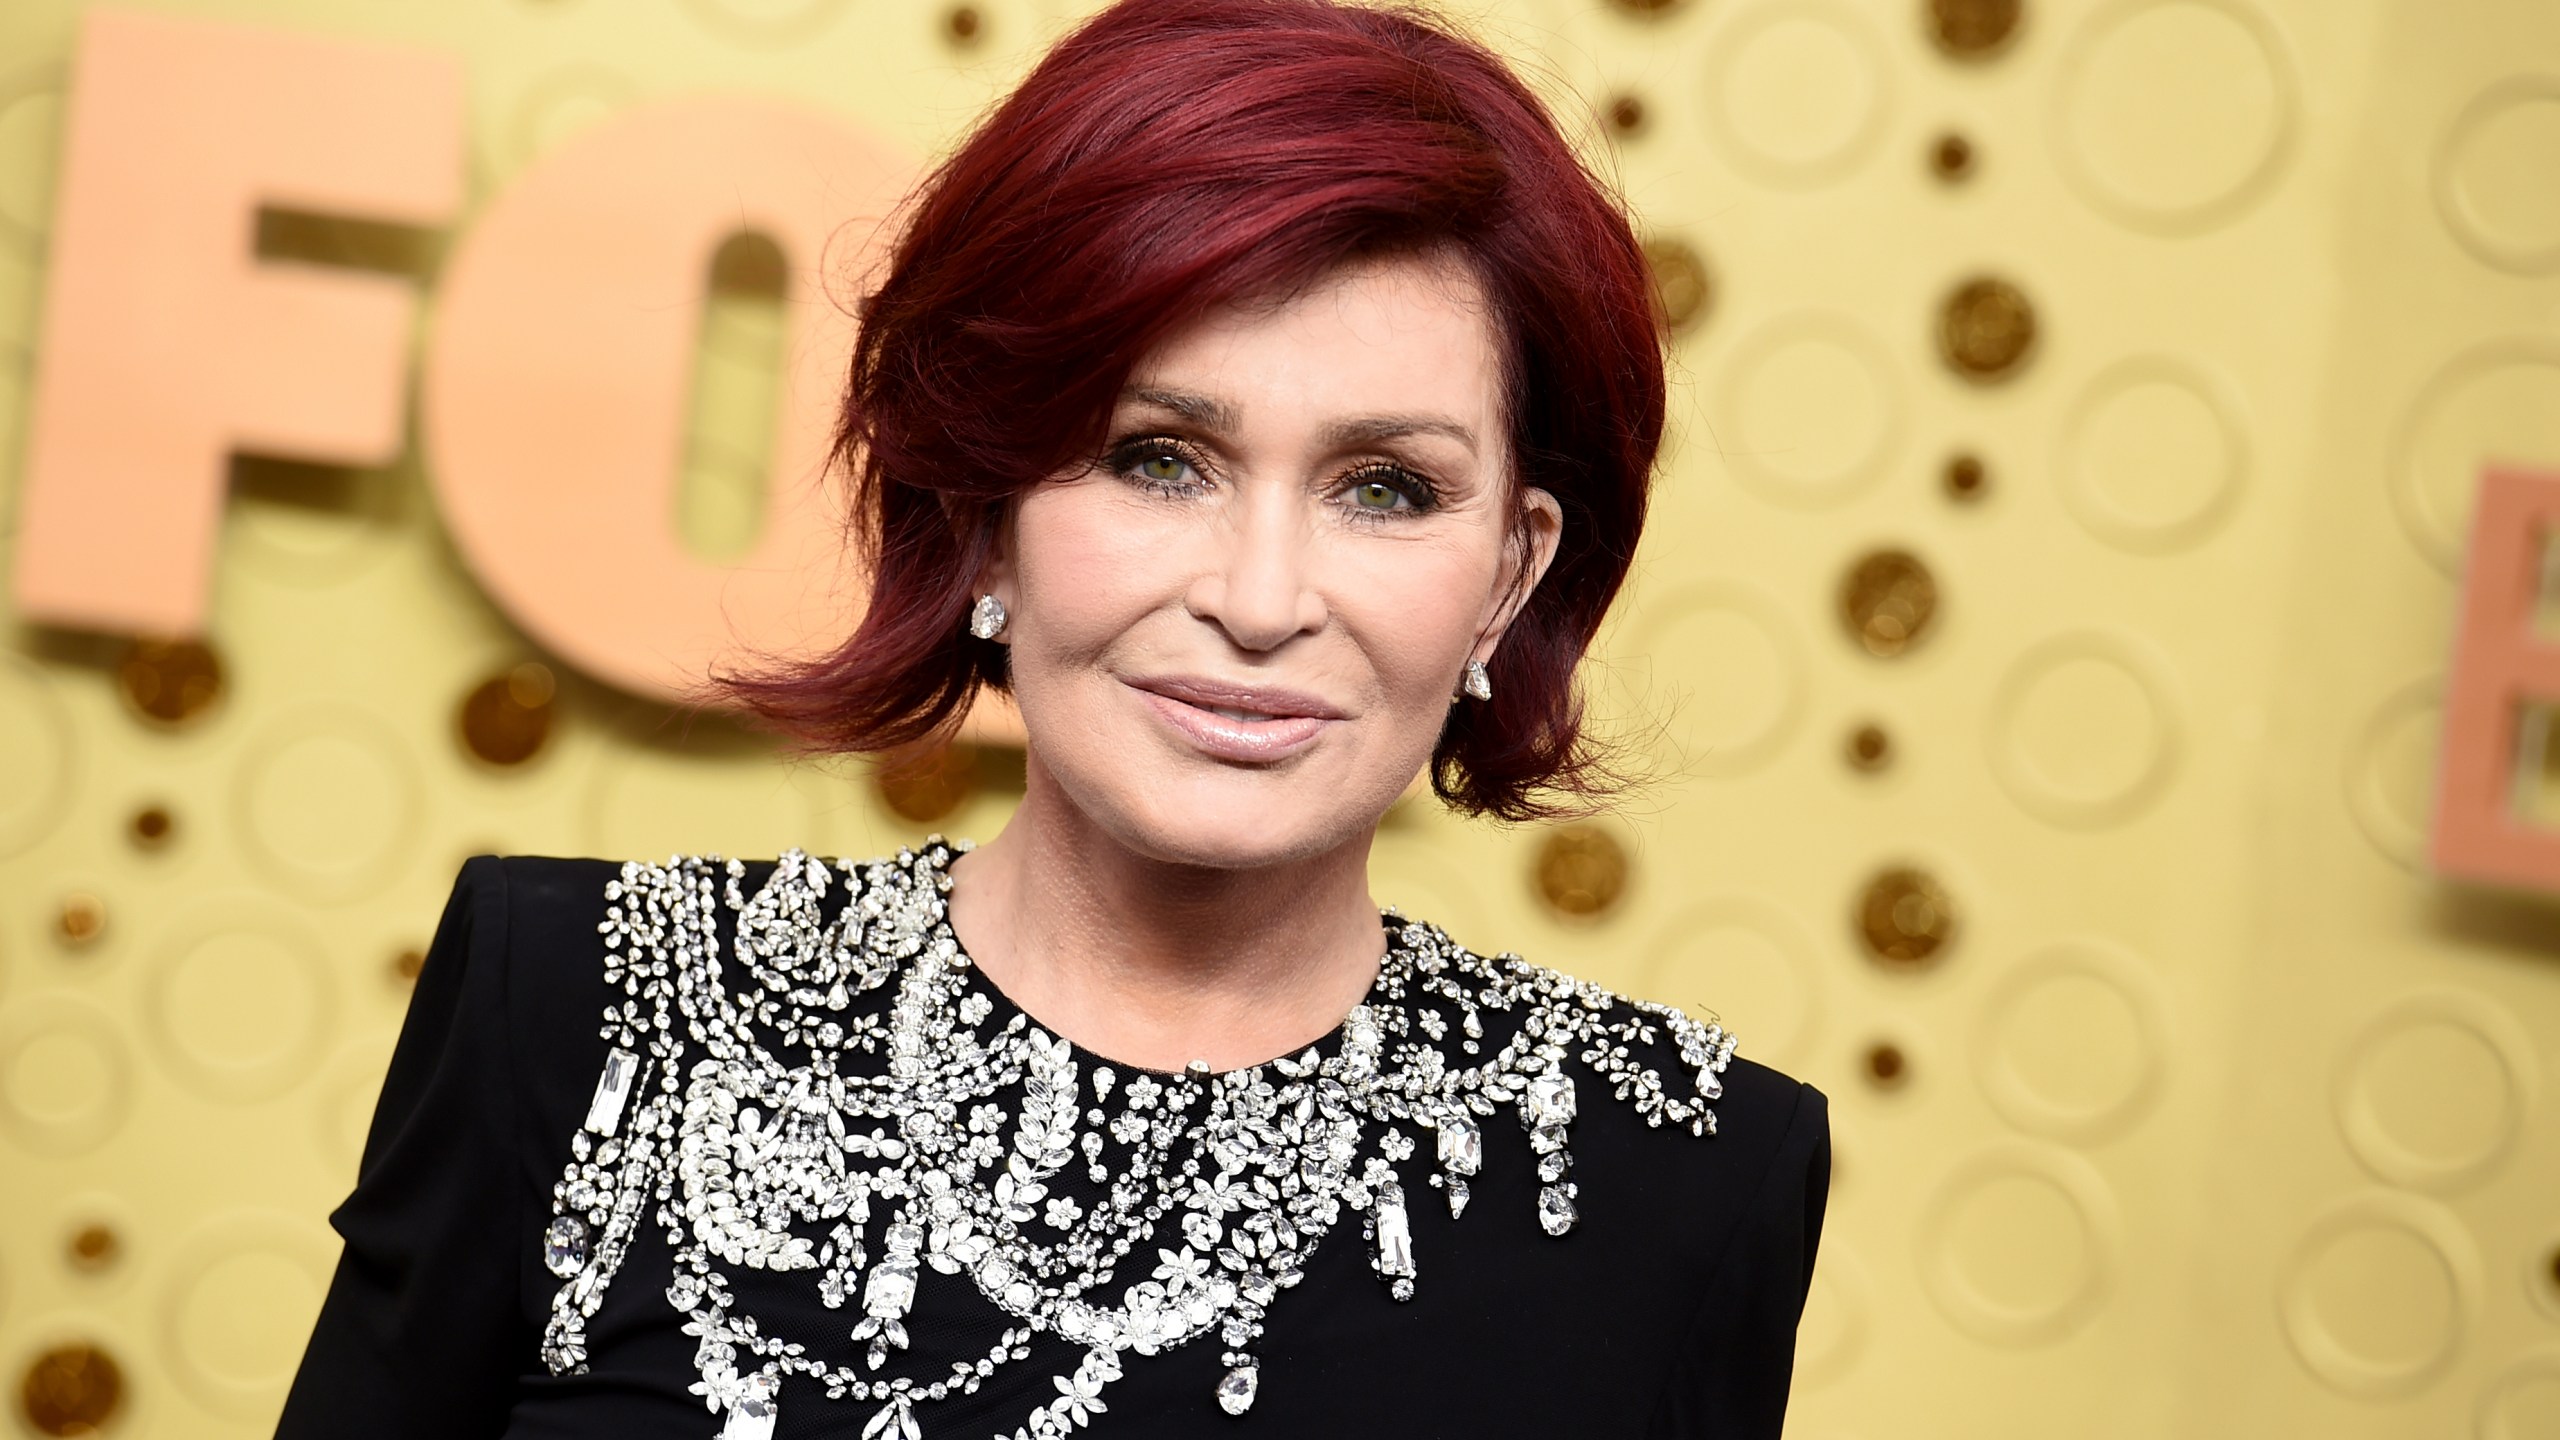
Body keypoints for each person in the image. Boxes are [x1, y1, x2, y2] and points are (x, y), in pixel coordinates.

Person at [274, 1, 1829, 1436]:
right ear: (983, 503)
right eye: (1160, 457)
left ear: (1508, 574)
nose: (1263, 595)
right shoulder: (568, 1013)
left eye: (1386, 489)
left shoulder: (1693, 1186)